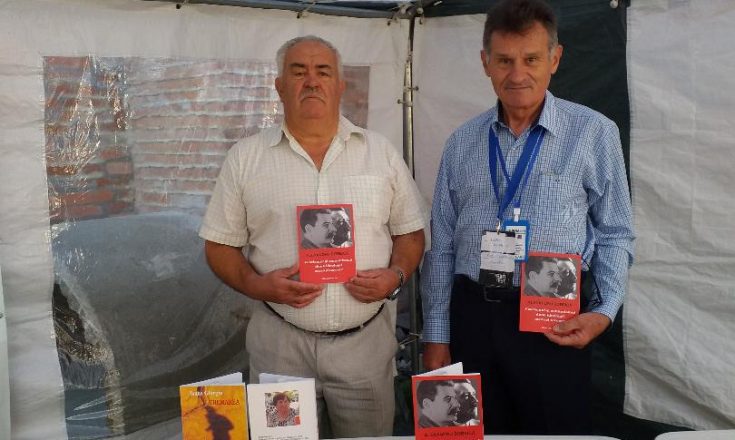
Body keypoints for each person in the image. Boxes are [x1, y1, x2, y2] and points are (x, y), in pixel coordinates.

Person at [420, 0, 634, 434]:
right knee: (469, 433)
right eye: (504, 60)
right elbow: (441, 246)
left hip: (554, 318)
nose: (517, 74)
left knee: (554, 433)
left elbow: (615, 233)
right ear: (485, 62)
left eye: (531, 59)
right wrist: (437, 335)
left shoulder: (593, 132)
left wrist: (604, 311)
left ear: (555, 59)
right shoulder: (461, 142)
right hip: (473, 318)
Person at [199, 35, 426, 438]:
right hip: (280, 348)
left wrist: (395, 276)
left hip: (364, 350)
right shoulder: (245, 158)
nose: (311, 81)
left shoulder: (381, 153)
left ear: (340, 85)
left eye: (323, 72)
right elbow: (219, 245)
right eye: (298, 71)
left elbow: (410, 233)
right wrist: (256, 284)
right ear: (279, 86)